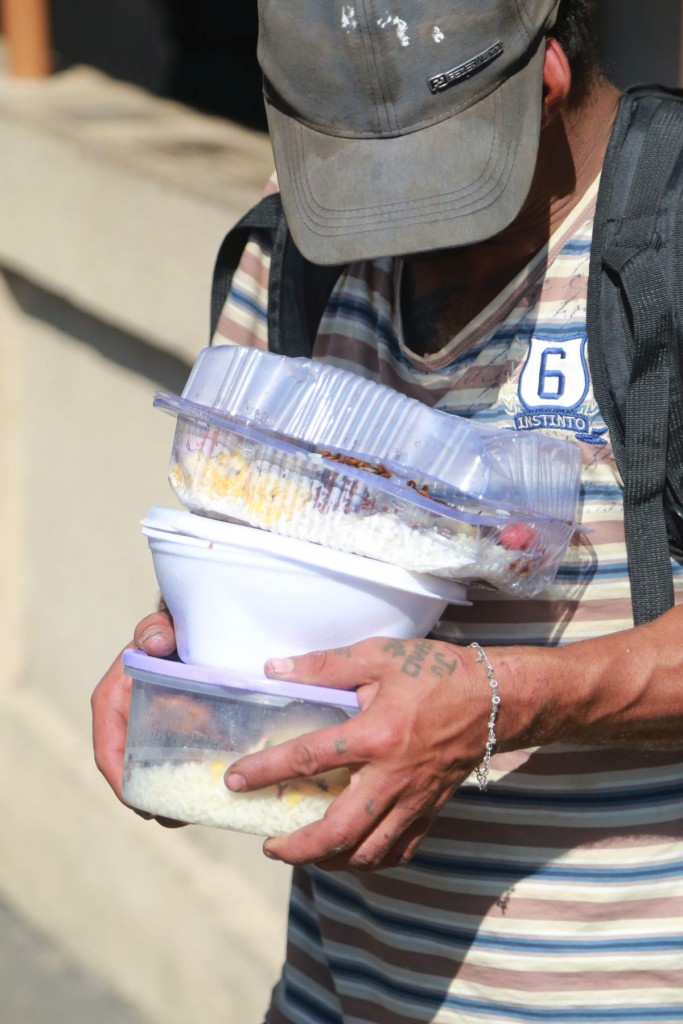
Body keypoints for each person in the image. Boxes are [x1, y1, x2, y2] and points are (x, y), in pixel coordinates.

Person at [93, 1, 683, 1021]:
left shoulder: (660, 244)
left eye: (432, 186)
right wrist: (185, 673)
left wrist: (503, 699)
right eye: (349, 188)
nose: (384, 233)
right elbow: (245, 555)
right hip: (334, 990)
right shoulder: (289, 255)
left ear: (542, 77)